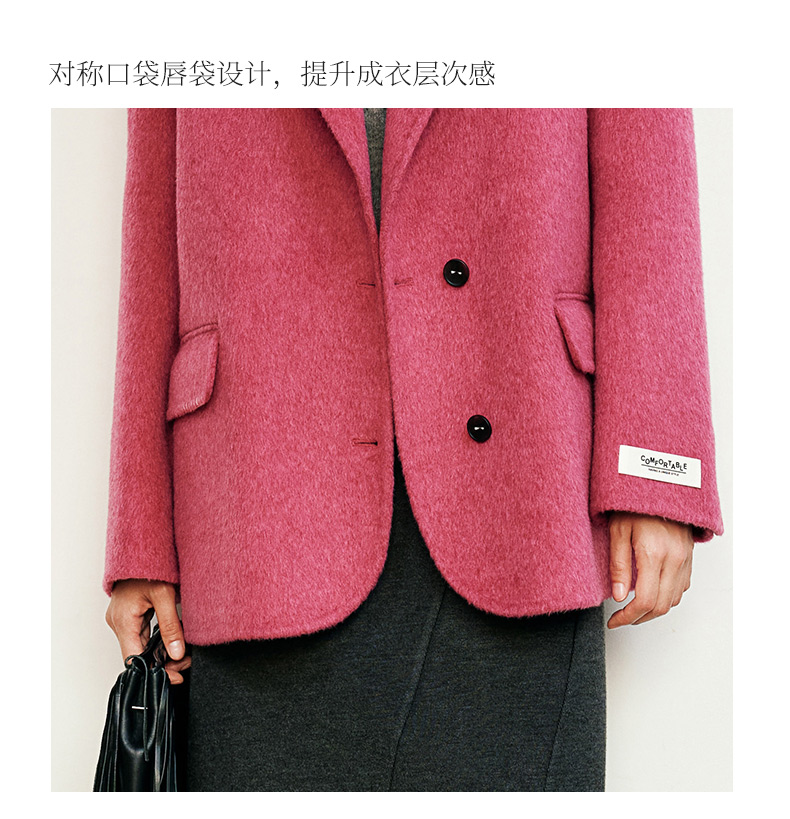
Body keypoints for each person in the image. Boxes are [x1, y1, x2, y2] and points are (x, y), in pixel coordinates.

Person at [103, 107, 723, 791]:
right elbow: (153, 211)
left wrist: (657, 468)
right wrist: (141, 534)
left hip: (521, 475)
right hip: (259, 493)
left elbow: (649, 176)